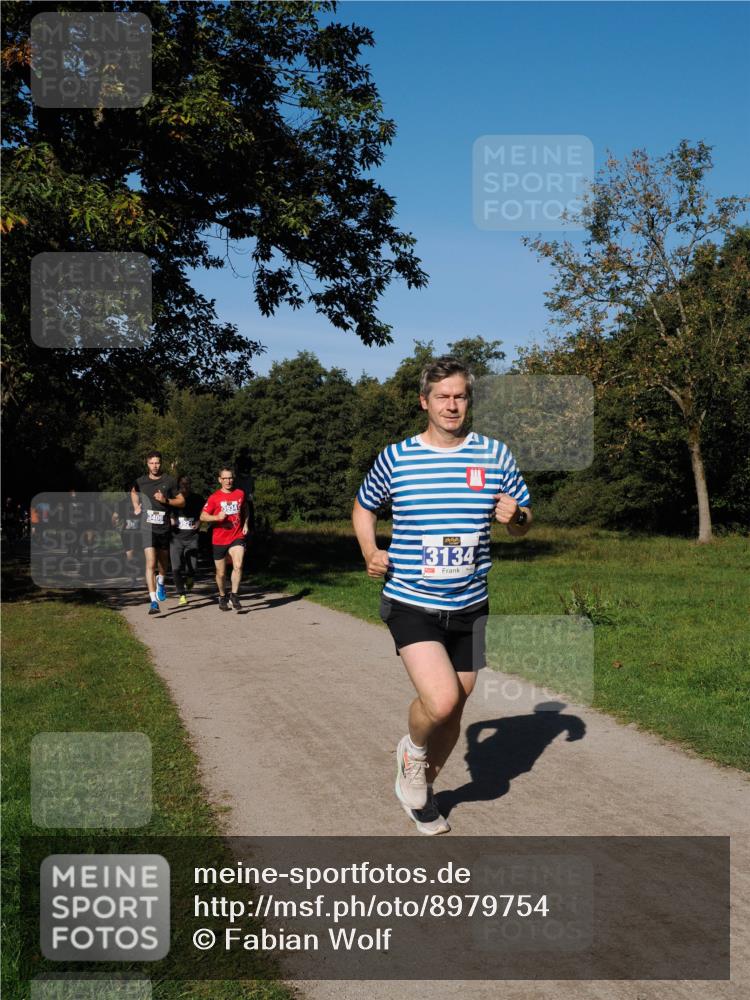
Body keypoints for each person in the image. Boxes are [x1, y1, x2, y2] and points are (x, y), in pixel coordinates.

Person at [352, 356, 532, 835]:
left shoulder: (494, 455)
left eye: (460, 396)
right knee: (443, 700)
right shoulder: (398, 457)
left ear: (468, 400)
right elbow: (363, 505)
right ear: (424, 403)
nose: (452, 405)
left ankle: (420, 785)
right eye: (443, 397)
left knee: (455, 711)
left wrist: (516, 517)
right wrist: (370, 549)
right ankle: (411, 753)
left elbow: (523, 523)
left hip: (470, 603)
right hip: (411, 597)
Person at [130, 451, 184, 615]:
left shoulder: (169, 481)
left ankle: (161, 580)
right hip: (147, 528)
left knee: (163, 563)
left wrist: (165, 500)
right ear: (147, 464)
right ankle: (153, 602)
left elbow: (181, 501)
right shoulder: (141, 481)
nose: (155, 466)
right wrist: (136, 506)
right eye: (152, 463)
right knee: (150, 563)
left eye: (157, 463)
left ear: (161, 463)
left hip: (164, 527)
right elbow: (133, 491)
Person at [200, 468, 249, 612]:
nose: (228, 481)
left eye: (230, 478)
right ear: (219, 480)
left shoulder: (240, 493)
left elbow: (246, 508)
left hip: (236, 535)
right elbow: (203, 516)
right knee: (221, 573)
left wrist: (245, 524)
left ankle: (234, 595)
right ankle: (222, 596)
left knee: (238, 565)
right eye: (225, 478)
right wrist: (216, 518)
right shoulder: (214, 497)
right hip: (219, 539)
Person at [169, 475, 204, 606]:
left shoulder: (197, 498)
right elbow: (167, 509)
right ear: (179, 486)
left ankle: (190, 577)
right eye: (182, 484)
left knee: (192, 567)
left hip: (192, 537)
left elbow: (205, 512)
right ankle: (181, 594)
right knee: (176, 568)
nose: (185, 486)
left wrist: (200, 521)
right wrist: (171, 519)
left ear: (190, 485)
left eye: (187, 484)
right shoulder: (174, 499)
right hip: (176, 538)